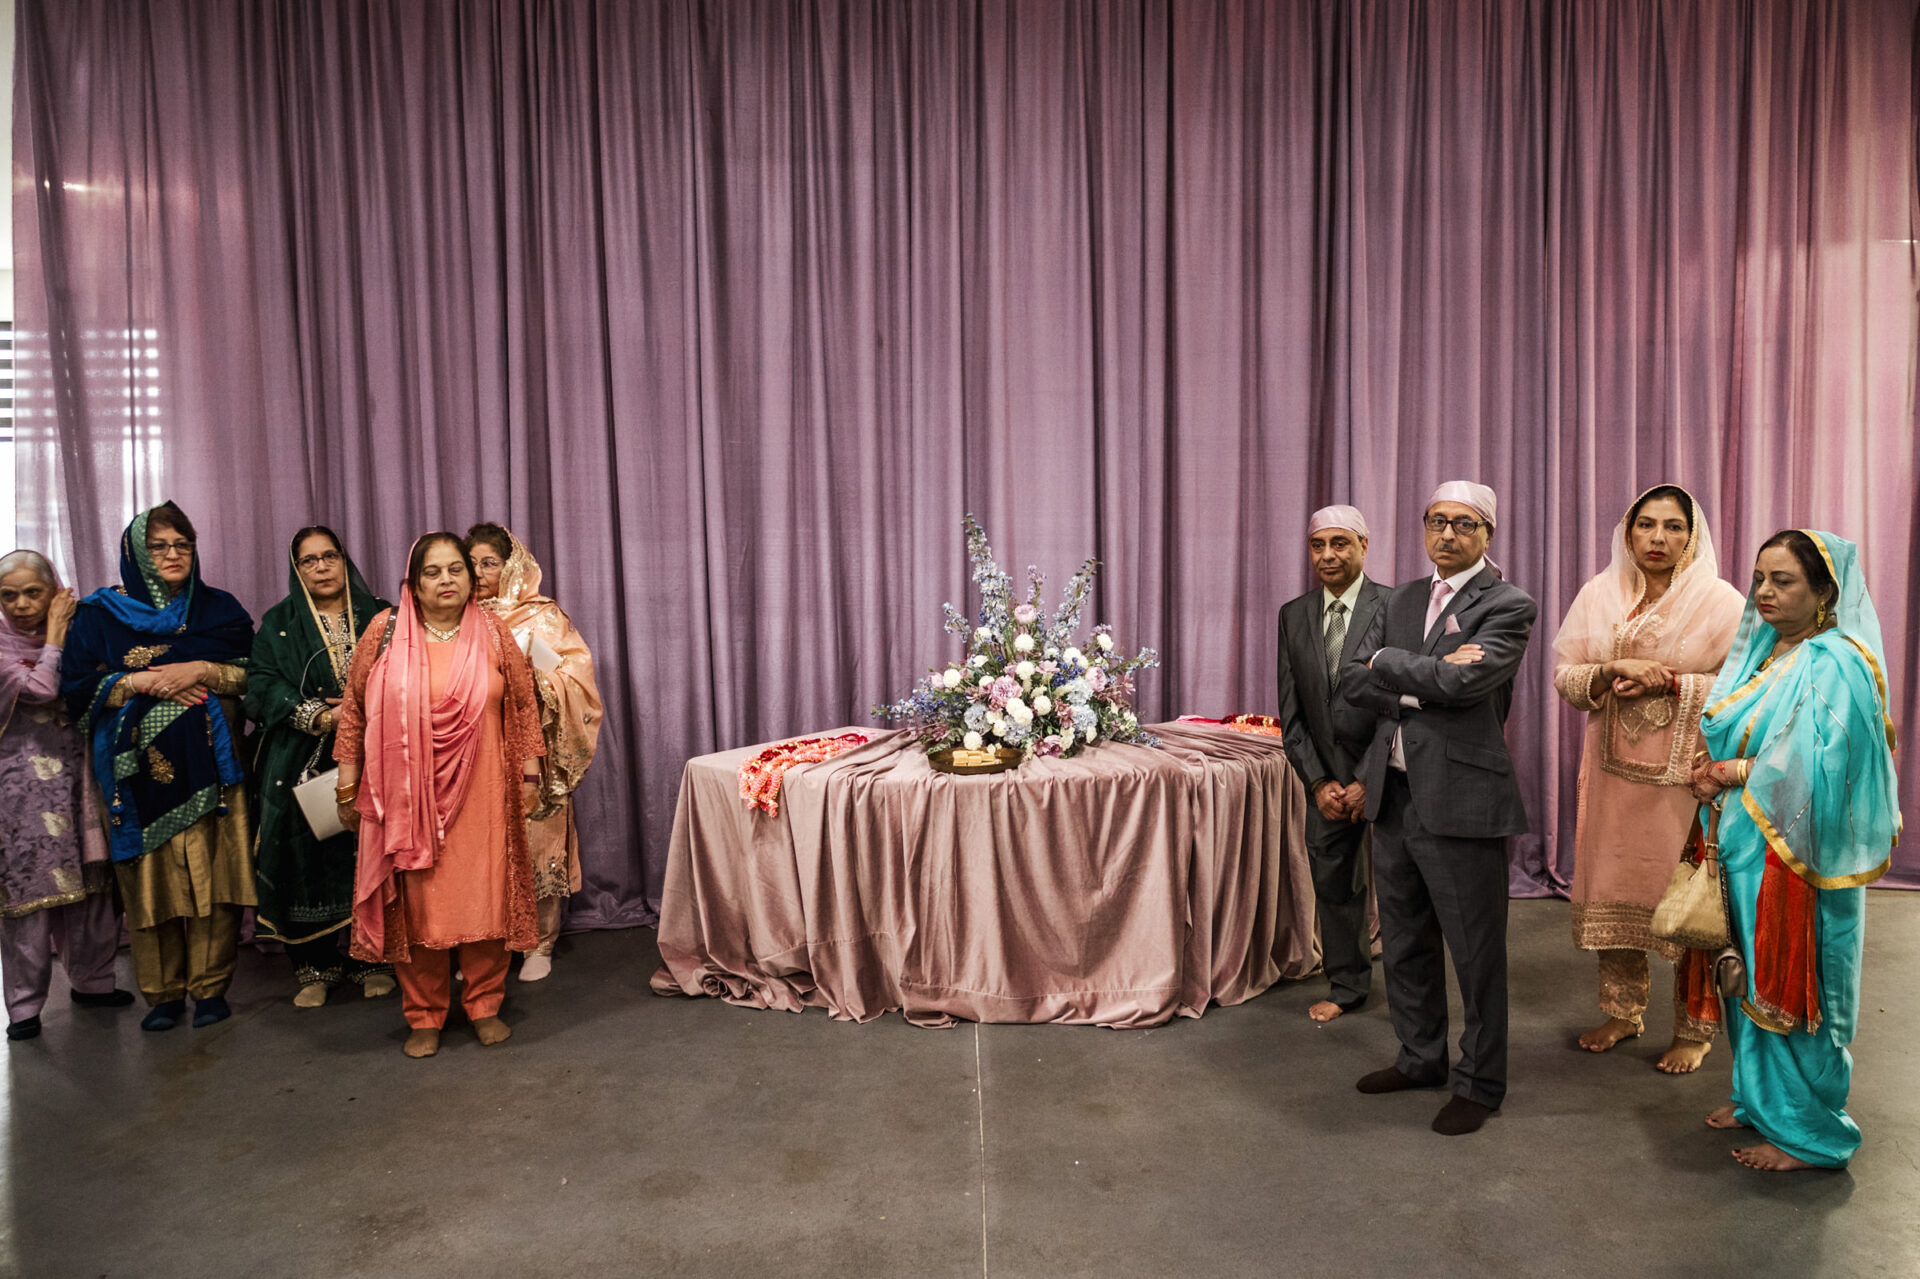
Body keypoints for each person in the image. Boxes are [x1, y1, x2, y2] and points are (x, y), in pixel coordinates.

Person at [1687, 530, 1898, 1171]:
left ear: (1825, 592)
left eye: (1785, 581)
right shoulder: (1767, 650)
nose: (1766, 592)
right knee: (1744, 970)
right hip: (1746, 839)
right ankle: (1759, 1097)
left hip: (1802, 854)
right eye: (1760, 578)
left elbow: (1821, 767)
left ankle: (1812, 1133)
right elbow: (1742, 728)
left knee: (1801, 984)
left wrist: (1727, 773)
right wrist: (1714, 770)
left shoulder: (1838, 660)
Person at [1341, 481, 1537, 1135]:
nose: (1447, 534)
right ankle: (1420, 1056)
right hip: (1392, 797)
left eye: (1463, 524)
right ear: (1424, 527)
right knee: (1401, 941)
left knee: (1475, 951)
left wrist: (1391, 664)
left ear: (1487, 535)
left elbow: (1465, 680)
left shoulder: (1509, 604)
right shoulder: (1400, 597)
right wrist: (1424, 681)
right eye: (1436, 521)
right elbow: (1348, 678)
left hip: (1463, 800)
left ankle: (1479, 1082)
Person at [1552, 485, 1745, 1072]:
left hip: (1688, 781)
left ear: (1693, 535)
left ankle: (1694, 1028)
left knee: (1691, 903)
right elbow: (1566, 677)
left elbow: (1747, 688)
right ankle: (1622, 1011)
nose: (1658, 538)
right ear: (1628, 532)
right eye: (1646, 526)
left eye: (1673, 527)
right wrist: (1609, 670)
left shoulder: (1721, 601)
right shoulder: (1600, 593)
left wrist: (1672, 683)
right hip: (1614, 780)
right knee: (1618, 891)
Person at [334, 533, 545, 1058]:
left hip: (486, 793)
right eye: (433, 571)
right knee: (419, 903)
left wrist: (532, 776)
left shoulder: (494, 632)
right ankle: (424, 1013)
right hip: (407, 799)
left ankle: (484, 1004)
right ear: (414, 580)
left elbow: (522, 707)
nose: (446, 580)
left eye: (456, 569)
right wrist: (346, 782)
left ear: (471, 579)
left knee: (485, 895)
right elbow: (355, 711)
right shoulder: (385, 632)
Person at [62, 503, 255, 1031]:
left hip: (213, 770)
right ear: (135, 555)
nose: (173, 555)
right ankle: (164, 994)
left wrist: (204, 669)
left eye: (182, 545)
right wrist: (133, 683)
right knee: (149, 883)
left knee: (215, 878)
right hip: (133, 778)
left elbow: (254, 676)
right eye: (159, 546)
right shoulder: (99, 616)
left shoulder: (219, 610)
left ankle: (211, 988)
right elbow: (74, 690)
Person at [247, 527, 397, 1006]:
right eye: (308, 561)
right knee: (304, 856)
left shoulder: (382, 615)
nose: (321, 567)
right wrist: (318, 714)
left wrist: (363, 711)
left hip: (376, 751)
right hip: (300, 758)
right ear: (297, 569)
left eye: (328, 556)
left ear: (342, 558)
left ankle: (370, 959)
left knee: (368, 852)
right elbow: (261, 685)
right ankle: (313, 966)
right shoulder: (278, 623)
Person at [0, 551, 132, 1040]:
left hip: (81, 777)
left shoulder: (83, 634)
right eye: (8, 595)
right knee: (30, 895)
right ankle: (25, 1006)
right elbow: (38, 688)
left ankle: (94, 982)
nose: (20, 605)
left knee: (93, 884)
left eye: (32, 592)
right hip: (20, 794)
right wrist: (55, 635)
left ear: (53, 590)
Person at [466, 523, 603, 982]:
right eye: (473, 562)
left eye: (489, 562)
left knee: (534, 840)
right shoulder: (456, 618)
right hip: (475, 748)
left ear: (512, 566)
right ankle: (487, 944)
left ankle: (539, 944)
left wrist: (534, 673)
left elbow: (576, 677)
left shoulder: (541, 616)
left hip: (535, 748)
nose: (479, 571)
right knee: (482, 848)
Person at [1275, 505, 1389, 1022]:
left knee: (1403, 885)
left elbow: (1402, 707)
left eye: (1340, 544)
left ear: (1364, 546)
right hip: (1325, 780)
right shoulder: (1293, 614)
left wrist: (1368, 777)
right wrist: (1319, 781)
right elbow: (1292, 712)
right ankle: (1347, 986)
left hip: (1388, 775)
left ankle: (1414, 994)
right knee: (1334, 884)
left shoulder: (1395, 607)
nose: (1328, 555)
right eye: (1318, 545)